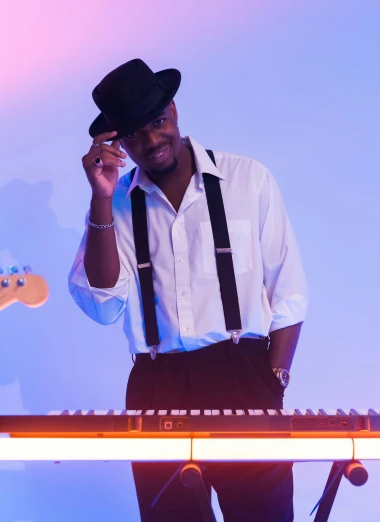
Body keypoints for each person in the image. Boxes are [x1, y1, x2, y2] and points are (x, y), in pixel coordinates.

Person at [68, 58, 308, 521]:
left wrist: (272, 382)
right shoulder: (115, 201)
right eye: (134, 133)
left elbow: (289, 291)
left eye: (158, 122)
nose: (152, 140)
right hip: (158, 383)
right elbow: (102, 305)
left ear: (174, 111)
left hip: (244, 377)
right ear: (117, 140)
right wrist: (100, 196)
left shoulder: (247, 179)